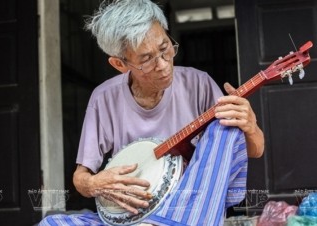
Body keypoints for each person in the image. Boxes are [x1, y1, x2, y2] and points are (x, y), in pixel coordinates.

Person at [40, 0, 264, 225]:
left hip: (191, 208)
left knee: (223, 126)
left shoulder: (199, 83)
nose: (164, 65)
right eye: (147, 60)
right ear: (120, 64)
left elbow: (253, 150)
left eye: (165, 48)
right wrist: (95, 183)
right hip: (134, 215)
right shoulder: (104, 98)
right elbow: (81, 177)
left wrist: (249, 125)